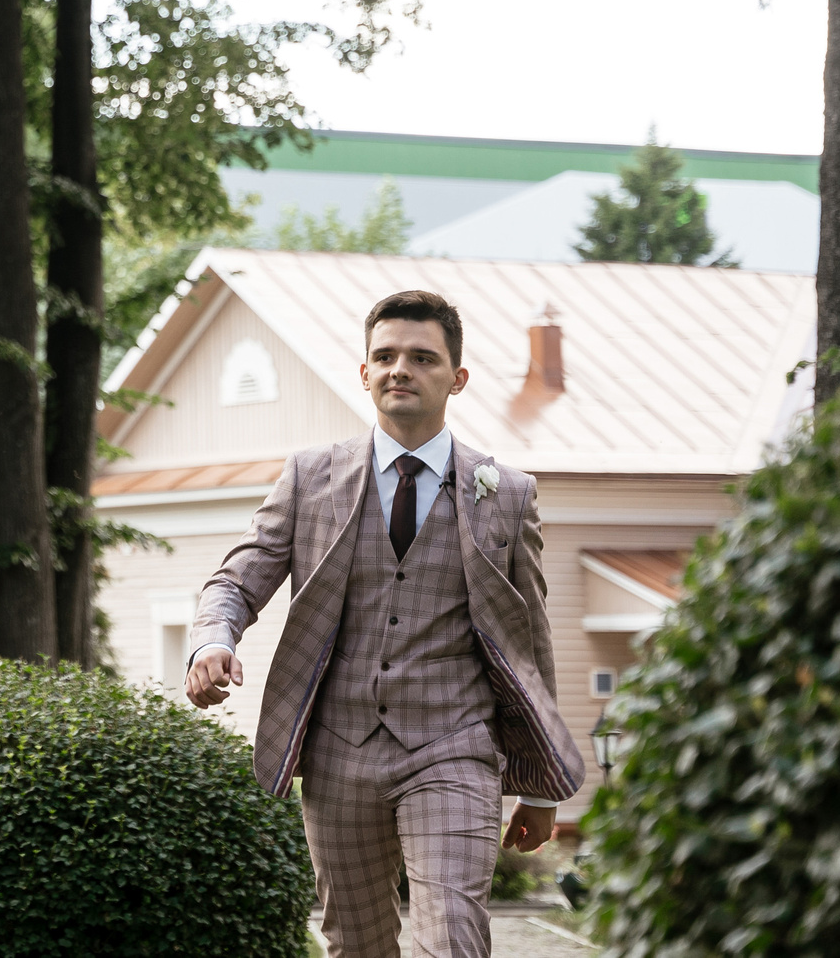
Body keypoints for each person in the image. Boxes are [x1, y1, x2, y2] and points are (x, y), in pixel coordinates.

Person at [185, 289, 582, 958]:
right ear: (364, 372)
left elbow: (530, 640)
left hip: (455, 743)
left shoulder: (505, 492)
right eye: (386, 355)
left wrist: (541, 785)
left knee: (453, 937)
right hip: (340, 748)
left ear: (457, 377)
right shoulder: (311, 477)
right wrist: (212, 638)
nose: (400, 367)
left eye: (422, 357)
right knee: (356, 942)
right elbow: (238, 576)